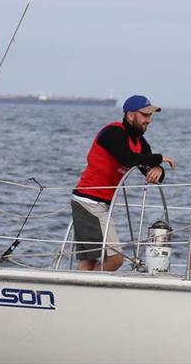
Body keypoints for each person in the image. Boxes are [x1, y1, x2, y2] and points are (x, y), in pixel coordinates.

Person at [72, 95, 175, 271]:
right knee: (115, 259)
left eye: (150, 116)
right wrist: (160, 158)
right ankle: (88, 290)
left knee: (90, 260)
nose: (149, 121)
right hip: (89, 201)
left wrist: (159, 168)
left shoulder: (139, 142)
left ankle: (81, 292)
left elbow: (148, 170)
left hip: (100, 203)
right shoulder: (113, 133)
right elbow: (127, 159)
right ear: (130, 115)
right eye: (145, 115)